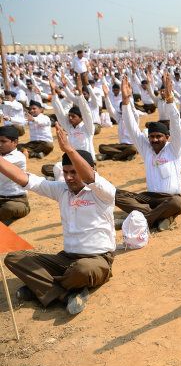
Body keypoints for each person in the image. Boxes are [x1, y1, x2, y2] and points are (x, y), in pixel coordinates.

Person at [3, 123, 115, 315]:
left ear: (91, 169)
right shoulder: (61, 189)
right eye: (66, 172)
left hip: (97, 260)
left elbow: (90, 178)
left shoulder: (103, 192)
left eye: (75, 172)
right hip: (66, 258)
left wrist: (69, 149)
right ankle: (64, 294)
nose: (70, 177)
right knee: (14, 258)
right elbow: (24, 179)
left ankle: (41, 288)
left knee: (82, 270)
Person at [114, 75, 181, 231]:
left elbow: (176, 125)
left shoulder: (174, 149)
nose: (155, 140)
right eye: (152, 137)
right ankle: (164, 217)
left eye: (158, 136)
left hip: (170, 197)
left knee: (177, 203)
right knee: (115, 195)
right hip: (149, 198)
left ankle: (141, 220)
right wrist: (126, 101)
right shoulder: (146, 149)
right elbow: (132, 128)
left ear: (167, 137)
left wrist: (171, 100)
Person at [96, 81, 138, 161]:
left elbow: (134, 110)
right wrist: (106, 96)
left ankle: (113, 156)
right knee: (101, 147)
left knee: (133, 148)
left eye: (126, 107)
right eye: (123, 107)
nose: (125, 109)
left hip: (131, 145)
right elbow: (110, 109)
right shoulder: (119, 118)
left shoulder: (134, 118)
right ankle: (124, 155)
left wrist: (129, 96)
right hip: (121, 146)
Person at [0, 126, 30, 225]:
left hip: (17, 200)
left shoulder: (18, 157)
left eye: (3, 141)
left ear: (15, 142)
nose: (0, 144)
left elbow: (2, 163)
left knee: (10, 208)